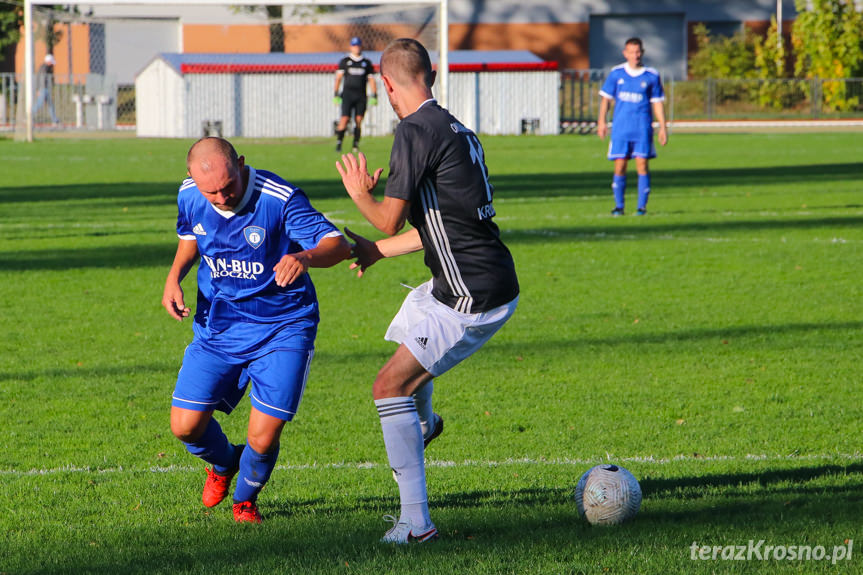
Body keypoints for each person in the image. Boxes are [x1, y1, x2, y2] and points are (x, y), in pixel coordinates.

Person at [335, 38, 519, 544]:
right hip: (472, 279)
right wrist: (376, 250)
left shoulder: (414, 130)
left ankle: (417, 525)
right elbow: (437, 227)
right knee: (412, 324)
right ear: (431, 74)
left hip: (470, 294)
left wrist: (360, 197)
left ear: (386, 84)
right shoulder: (456, 127)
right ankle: (425, 425)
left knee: (388, 388)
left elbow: (390, 216)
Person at [162, 137, 350, 523]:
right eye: (210, 191)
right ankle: (225, 463)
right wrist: (173, 276)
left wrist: (304, 256)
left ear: (242, 164)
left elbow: (338, 244)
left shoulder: (278, 199)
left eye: (228, 186)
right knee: (185, 426)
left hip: (283, 327)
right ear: (193, 181)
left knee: (263, 438)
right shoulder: (190, 195)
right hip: (219, 326)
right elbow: (189, 237)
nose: (221, 197)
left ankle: (245, 499)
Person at [597, 37, 667, 216]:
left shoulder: (651, 75)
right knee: (620, 165)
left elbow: (657, 102)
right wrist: (602, 122)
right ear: (625, 53)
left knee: (642, 165)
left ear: (642, 53)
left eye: (638, 52)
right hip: (621, 129)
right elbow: (606, 99)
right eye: (631, 52)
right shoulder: (616, 73)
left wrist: (663, 127)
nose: (635, 55)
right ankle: (619, 206)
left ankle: (641, 207)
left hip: (642, 129)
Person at [333, 36, 378, 153]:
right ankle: (339, 142)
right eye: (354, 46)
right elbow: (338, 78)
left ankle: (355, 144)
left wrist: (374, 95)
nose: (356, 48)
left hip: (361, 96)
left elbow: (372, 80)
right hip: (347, 95)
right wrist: (336, 94)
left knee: (358, 120)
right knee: (344, 119)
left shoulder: (366, 63)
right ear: (350, 47)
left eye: (358, 45)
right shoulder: (345, 62)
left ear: (361, 46)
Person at [33, 53, 60, 125]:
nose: (52, 64)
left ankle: (54, 119)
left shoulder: (46, 68)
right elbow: (41, 79)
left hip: (45, 89)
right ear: (48, 61)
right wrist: (38, 89)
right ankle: (29, 116)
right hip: (43, 89)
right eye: (51, 62)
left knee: (50, 104)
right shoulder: (44, 68)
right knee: (39, 104)